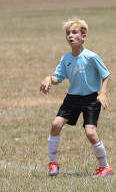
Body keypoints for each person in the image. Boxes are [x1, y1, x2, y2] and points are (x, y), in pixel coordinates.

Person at [40, 18, 112, 177]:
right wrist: (48, 78)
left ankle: (104, 167)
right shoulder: (66, 59)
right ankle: (53, 163)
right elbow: (57, 78)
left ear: (83, 36)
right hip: (72, 98)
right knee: (56, 124)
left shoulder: (91, 57)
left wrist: (102, 93)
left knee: (90, 133)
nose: (70, 36)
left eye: (74, 32)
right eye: (68, 33)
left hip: (91, 99)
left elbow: (106, 75)